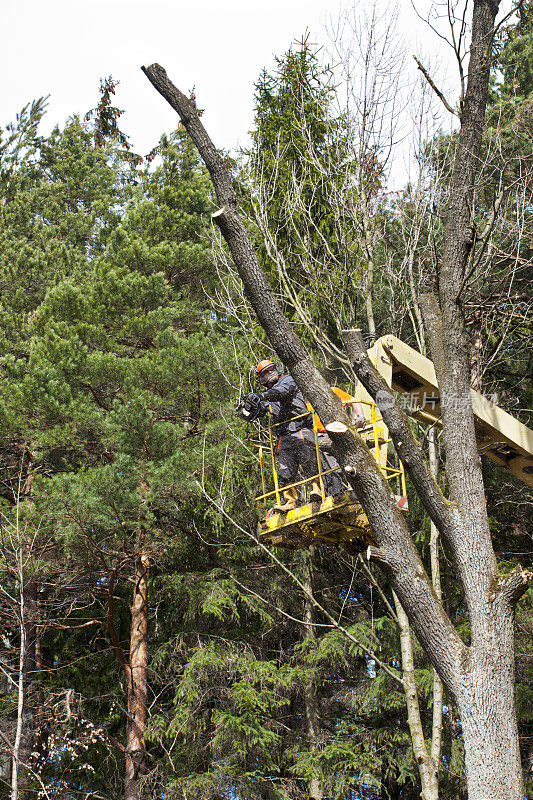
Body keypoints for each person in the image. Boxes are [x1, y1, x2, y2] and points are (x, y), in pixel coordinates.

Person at [242, 360, 343, 512]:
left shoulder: (287, 381)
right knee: (284, 472)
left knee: (310, 463)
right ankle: (289, 502)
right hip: (283, 437)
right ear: (261, 378)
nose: (271, 373)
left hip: (301, 429)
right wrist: (247, 409)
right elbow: (260, 409)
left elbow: (280, 393)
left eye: (272, 370)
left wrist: (261, 396)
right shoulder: (268, 396)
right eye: (266, 372)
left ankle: (318, 490)